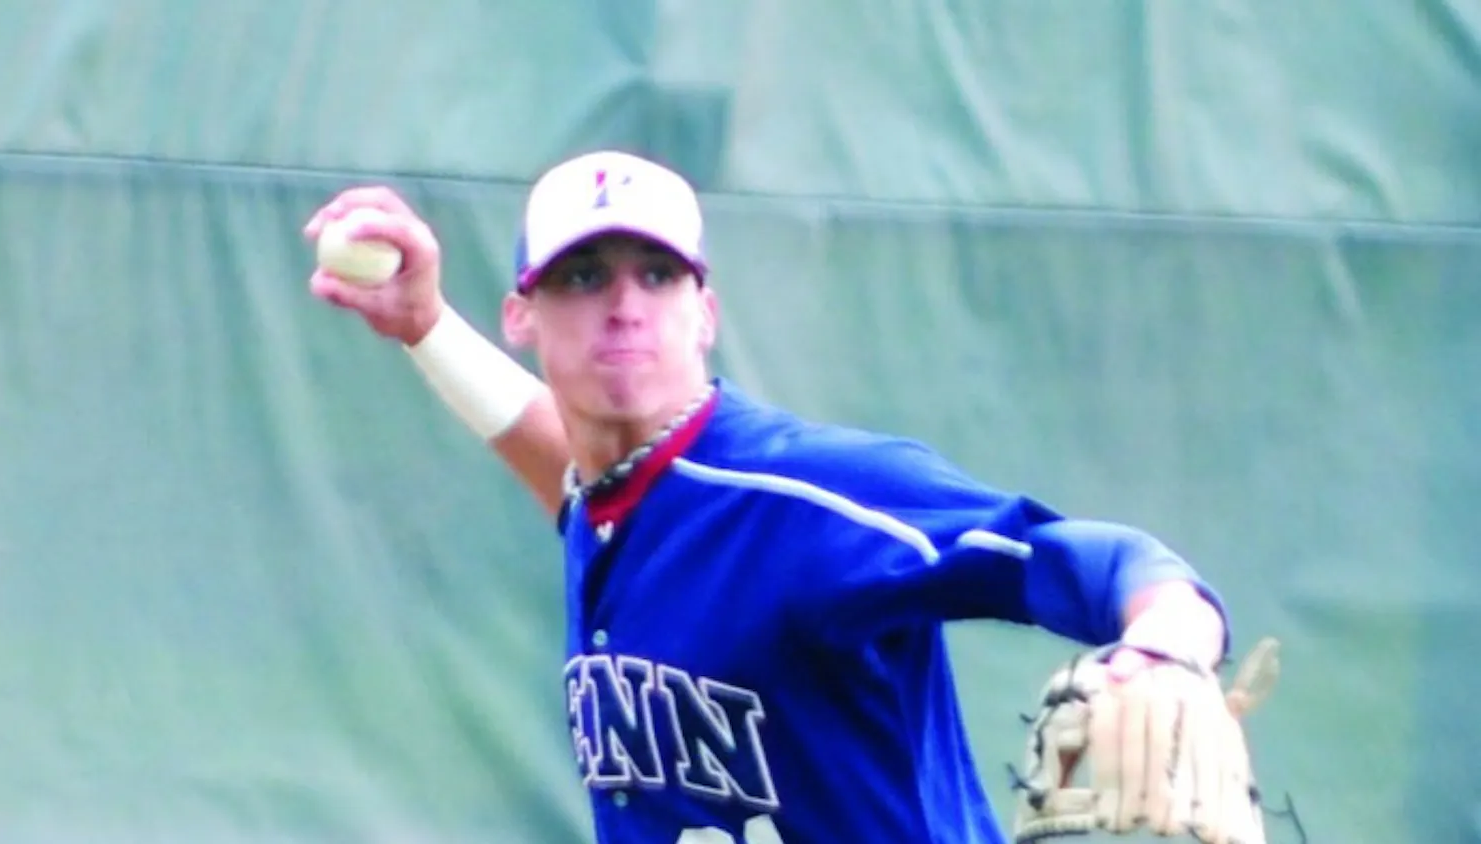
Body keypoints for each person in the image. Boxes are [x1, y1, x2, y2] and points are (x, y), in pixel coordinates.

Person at [303, 150, 1234, 844]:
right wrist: (425, 328)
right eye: (584, 277)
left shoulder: (809, 499)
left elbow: (1109, 562)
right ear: (522, 316)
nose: (625, 305)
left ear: (704, 312)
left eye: (657, 275)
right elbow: (573, 472)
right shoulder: (617, 500)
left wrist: (1165, 648)